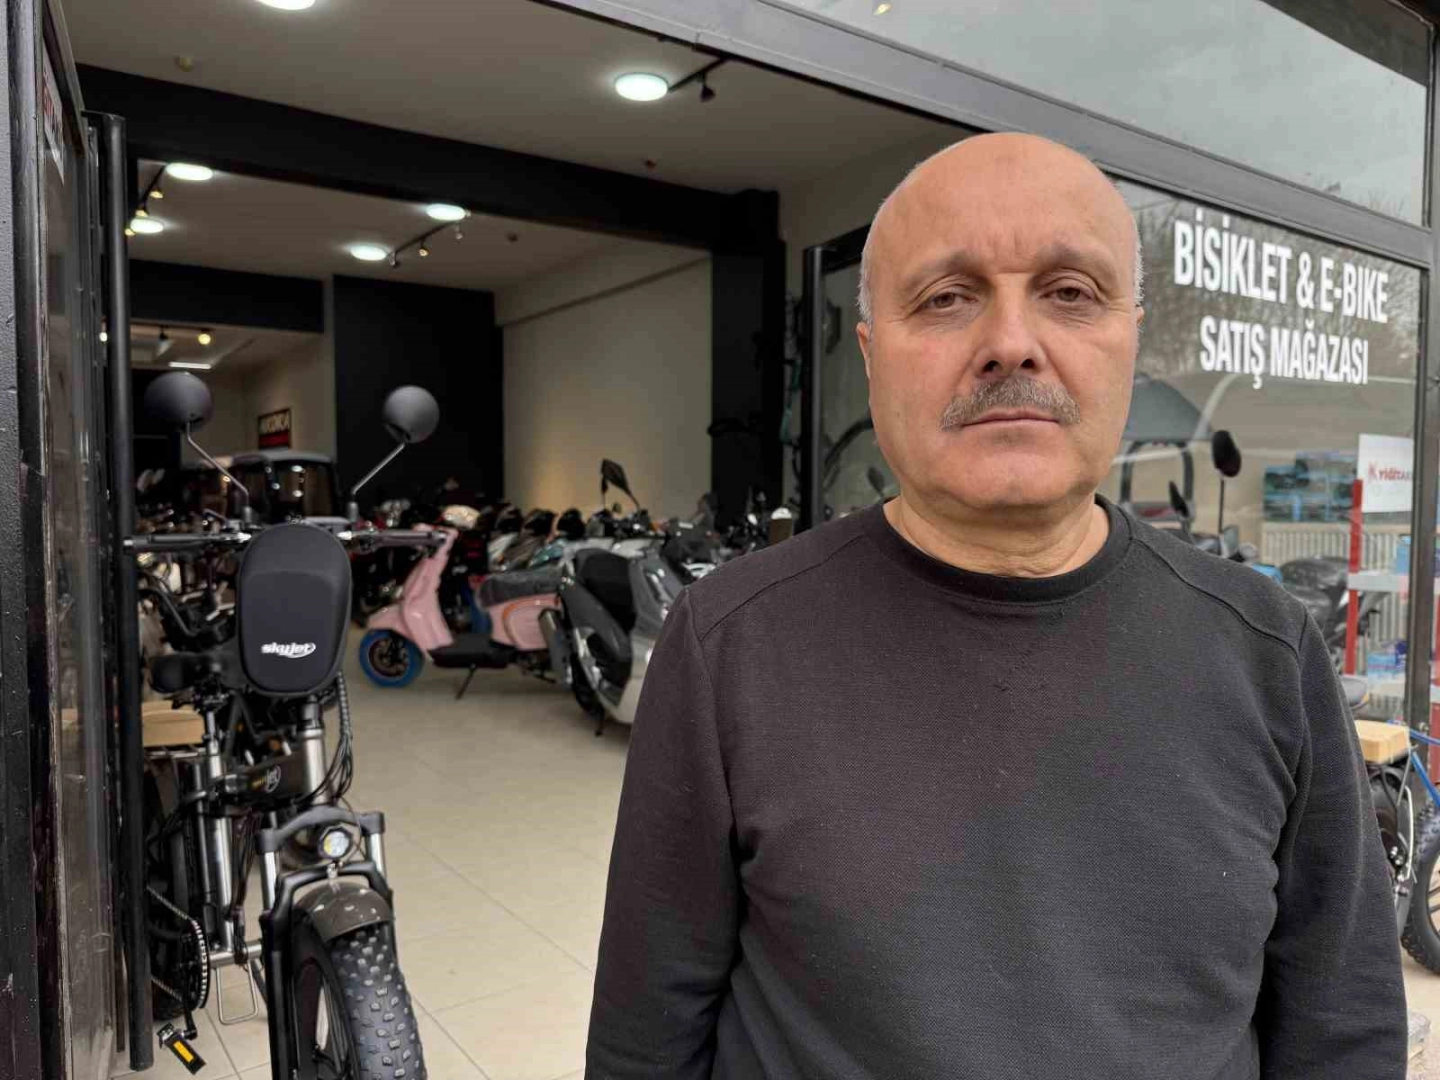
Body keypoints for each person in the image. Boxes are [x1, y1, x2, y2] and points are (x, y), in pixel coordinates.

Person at [586, 133, 1405, 1079]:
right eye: (946, 297)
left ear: (1131, 343)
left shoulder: (1267, 653)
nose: (1011, 343)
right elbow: (646, 1044)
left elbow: (1343, 1032)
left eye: (1070, 292)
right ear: (871, 356)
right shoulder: (729, 645)